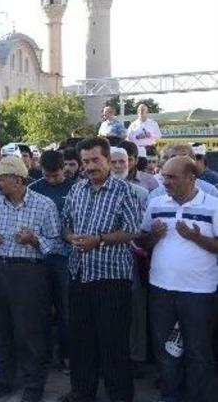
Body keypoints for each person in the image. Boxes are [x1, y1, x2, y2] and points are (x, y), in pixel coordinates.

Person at [60, 137, 141, 402]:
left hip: (111, 278)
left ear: (107, 159)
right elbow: (65, 225)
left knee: (113, 343)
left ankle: (119, 396)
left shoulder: (125, 191)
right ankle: (82, 393)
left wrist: (100, 240)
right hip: (79, 274)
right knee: (81, 341)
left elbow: (132, 230)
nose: (90, 166)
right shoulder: (77, 189)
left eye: (96, 160)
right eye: (86, 161)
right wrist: (71, 237)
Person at [0, 156, 60, 402]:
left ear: (17, 179)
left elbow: (56, 243)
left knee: (29, 332)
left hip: (28, 273)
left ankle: (33, 385)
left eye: (1, 178)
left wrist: (34, 240)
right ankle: (4, 379)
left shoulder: (44, 205)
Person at [138, 156, 217, 402]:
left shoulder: (213, 205)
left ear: (192, 178)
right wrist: (154, 236)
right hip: (161, 288)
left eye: (172, 177)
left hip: (199, 291)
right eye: (163, 176)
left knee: (198, 350)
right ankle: (170, 396)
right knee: (165, 350)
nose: (165, 182)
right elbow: (144, 243)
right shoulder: (157, 203)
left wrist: (197, 238)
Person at [28, 150, 76, 372]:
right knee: (39, 310)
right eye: (47, 176)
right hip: (40, 256)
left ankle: (67, 355)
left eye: (55, 176)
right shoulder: (34, 188)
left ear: (64, 169)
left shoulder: (75, 188)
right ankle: (43, 355)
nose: (51, 180)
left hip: (65, 258)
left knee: (66, 310)